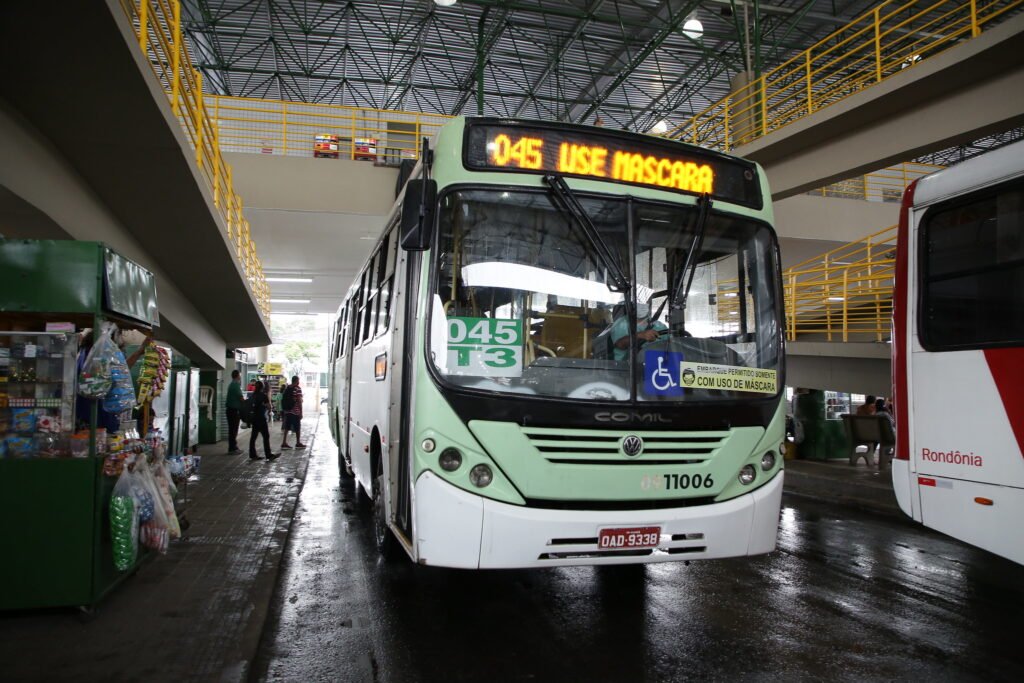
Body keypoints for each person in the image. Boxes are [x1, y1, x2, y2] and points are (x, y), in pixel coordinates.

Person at [248, 381, 279, 461]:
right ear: (262, 387)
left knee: (253, 437)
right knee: (266, 436)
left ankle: (252, 454)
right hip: (261, 419)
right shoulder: (263, 396)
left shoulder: (252, 395)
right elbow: (269, 407)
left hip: (254, 419)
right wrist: (266, 405)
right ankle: (268, 455)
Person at [280, 375, 306, 450]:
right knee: (297, 427)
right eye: (298, 380)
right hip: (295, 411)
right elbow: (300, 401)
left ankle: (284, 442)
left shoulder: (287, 388)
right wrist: (301, 412)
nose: (299, 382)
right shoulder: (297, 389)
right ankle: (298, 442)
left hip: (287, 411)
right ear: (297, 381)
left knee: (287, 427)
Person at [225, 369, 243, 455]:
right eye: (240, 375)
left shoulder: (232, 384)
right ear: (237, 376)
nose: (241, 376)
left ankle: (234, 447)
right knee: (233, 430)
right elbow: (241, 398)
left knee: (232, 429)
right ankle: (232, 448)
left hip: (231, 410)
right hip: (233, 411)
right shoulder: (235, 385)